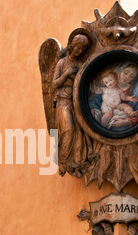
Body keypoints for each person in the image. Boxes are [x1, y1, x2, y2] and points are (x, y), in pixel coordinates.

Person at [52, 34, 90, 175]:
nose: (79, 51)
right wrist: (66, 74)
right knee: (68, 129)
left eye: (83, 49)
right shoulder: (62, 63)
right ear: (72, 46)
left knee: (79, 133)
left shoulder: (81, 65)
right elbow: (54, 83)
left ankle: (77, 162)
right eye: (78, 48)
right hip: (62, 100)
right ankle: (63, 161)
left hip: (76, 102)